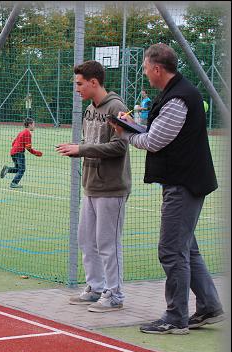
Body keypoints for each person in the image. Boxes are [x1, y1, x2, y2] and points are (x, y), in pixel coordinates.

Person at [110, 43, 224, 334]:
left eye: (146, 67)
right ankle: (209, 307)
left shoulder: (178, 99)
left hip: (184, 183)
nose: (145, 72)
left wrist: (125, 134)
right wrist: (134, 125)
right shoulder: (175, 93)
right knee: (187, 249)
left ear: (157, 68)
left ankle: (176, 318)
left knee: (171, 251)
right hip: (187, 180)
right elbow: (155, 132)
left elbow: (154, 141)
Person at [56, 60, 131, 313]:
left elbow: (120, 146)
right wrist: (78, 149)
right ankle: (95, 287)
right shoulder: (90, 109)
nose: (76, 89)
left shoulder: (117, 107)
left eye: (79, 84)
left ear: (93, 82)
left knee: (108, 243)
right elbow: (92, 143)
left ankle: (115, 294)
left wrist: (82, 149)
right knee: (87, 239)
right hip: (91, 186)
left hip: (112, 188)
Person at [0, 118, 42, 188]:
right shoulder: (27, 133)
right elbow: (28, 147)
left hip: (13, 152)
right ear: (29, 125)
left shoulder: (21, 132)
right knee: (22, 169)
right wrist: (36, 153)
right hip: (19, 152)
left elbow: (13, 143)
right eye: (33, 124)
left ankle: (8, 169)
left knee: (18, 169)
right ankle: (14, 183)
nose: (34, 126)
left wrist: (16, 148)